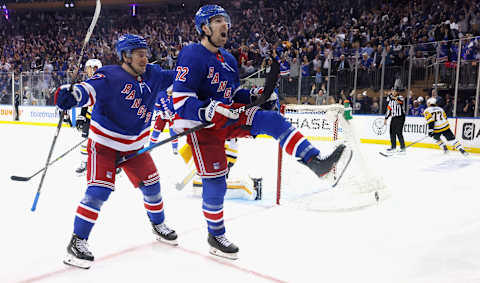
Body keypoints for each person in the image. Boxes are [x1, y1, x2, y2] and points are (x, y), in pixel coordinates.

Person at [171, 5, 350, 260]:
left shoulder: (229, 60)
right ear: (204, 27)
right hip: (200, 125)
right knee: (216, 179)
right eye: (218, 20)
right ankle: (215, 234)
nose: (226, 25)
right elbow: (181, 101)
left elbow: (232, 95)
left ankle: (316, 162)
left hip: (227, 115)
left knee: (272, 120)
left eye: (227, 21)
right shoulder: (191, 54)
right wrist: (208, 110)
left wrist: (255, 97)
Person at [54, 34, 178, 269]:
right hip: (104, 146)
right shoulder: (109, 75)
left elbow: (183, 79)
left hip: (134, 148)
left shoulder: (154, 74)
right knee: (98, 192)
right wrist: (70, 95)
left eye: (145, 53)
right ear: (125, 56)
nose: (145, 58)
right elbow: (86, 90)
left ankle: (158, 225)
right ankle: (77, 242)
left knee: (152, 186)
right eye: (140, 54)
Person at [74, 59, 123, 176]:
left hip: (103, 118)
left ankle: (113, 163)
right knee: (85, 140)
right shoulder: (87, 82)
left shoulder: (105, 82)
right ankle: (85, 162)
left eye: (92, 68)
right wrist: (81, 115)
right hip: (89, 117)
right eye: (88, 69)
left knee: (107, 142)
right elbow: (85, 101)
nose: (90, 71)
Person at [149, 85, 179, 154]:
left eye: (172, 91)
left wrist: (175, 114)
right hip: (162, 115)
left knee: (173, 132)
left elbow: (179, 107)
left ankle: (175, 148)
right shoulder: (161, 94)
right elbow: (157, 106)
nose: (170, 92)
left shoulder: (176, 95)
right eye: (169, 91)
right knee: (156, 131)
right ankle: (150, 146)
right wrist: (160, 112)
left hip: (173, 117)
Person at [384, 88, 406, 154]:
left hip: (400, 117)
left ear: (397, 92)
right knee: (392, 132)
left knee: (399, 132)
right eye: (392, 91)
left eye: (394, 91)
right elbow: (389, 110)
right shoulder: (390, 101)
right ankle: (393, 147)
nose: (393, 92)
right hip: (393, 118)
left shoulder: (400, 97)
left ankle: (403, 148)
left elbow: (399, 101)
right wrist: (386, 118)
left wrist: (390, 96)